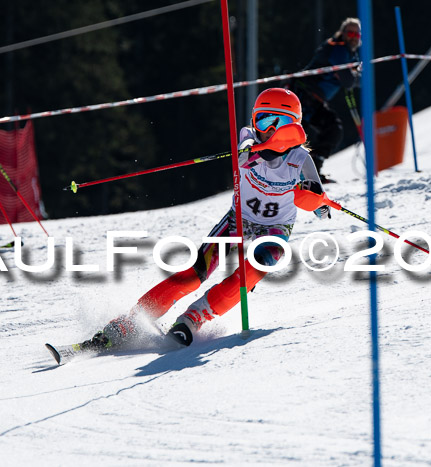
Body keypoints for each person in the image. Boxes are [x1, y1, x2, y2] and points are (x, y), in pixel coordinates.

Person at [82, 88, 331, 349]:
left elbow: (317, 198)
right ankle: (127, 324)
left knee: (254, 269)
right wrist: (249, 152)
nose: (267, 129)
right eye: (263, 120)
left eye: (277, 123)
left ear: (293, 126)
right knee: (194, 274)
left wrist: (318, 203)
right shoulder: (249, 138)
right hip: (238, 221)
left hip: (275, 230)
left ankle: (192, 319)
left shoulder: (301, 158)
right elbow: (245, 150)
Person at [288, 17, 361, 182]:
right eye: (350, 32)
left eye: (357, 33)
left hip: (315, 99)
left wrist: (353, 76)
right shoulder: (339, 49)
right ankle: (290, 175)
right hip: (303, 95)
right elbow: (349, 81)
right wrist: (354, 75)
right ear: (342, 33)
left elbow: (354, 80)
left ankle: (311, 171)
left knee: (332, 129)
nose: (353, 36)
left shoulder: (349, 51)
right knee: (298, 134)